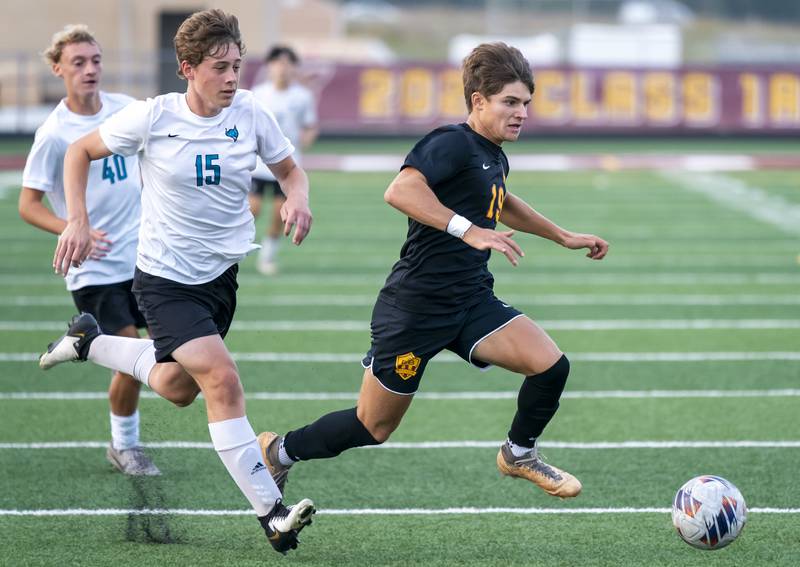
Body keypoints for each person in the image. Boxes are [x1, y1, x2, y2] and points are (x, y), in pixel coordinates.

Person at [256, 42, 609, 499]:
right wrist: (468, 231)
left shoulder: (494, 153)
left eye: (525, 103)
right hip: (415, 309)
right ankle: (279, 451)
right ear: (478, 100)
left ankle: (518, 453)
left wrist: (562, 236)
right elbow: (400, 190)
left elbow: (500, 202)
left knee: (550, 366)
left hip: (469, 300)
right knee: (373, 425)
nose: (521, 112)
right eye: (510, 102)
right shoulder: (451, 141)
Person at [38, 9, 315, 554]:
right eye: (220, 68)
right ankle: (271, 514)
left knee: (177, 387)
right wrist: (76, 218)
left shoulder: (252, 111)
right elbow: (78, 152)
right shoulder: (151, 117)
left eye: (237, 65)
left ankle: (88, 343)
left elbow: (289, 169)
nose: (232, 77)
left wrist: (298, 195)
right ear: (188, 69)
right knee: (223, 380)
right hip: (164, 279)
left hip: (221, 279)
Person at [19, 25, 159, 476]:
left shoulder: (125, 111)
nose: (90, 69)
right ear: (58, 69)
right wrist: (73, 228)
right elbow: (28, 205)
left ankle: (83, 345)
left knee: (169, 355)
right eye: (78, 62)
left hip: (147, 256)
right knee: (131, 348)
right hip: (93, 266)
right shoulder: (54, 133)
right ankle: (125, 445)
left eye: (95, 60)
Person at [248, 45, 318, 275]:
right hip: (259, 164)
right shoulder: (258, 94)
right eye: (278, 63)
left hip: (286, 166)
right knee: (251, 210)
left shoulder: (302, 96)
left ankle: (266, 258)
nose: (282, 68)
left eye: (288, 64)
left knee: (281, 213)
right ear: (269, 67)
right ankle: (234, 251)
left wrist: (307, 137)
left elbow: (309, 125)